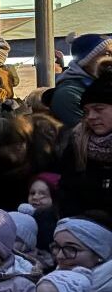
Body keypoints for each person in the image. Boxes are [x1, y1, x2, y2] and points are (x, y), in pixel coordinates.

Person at [59, 75, 112, 216]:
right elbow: (66, 193)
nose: (91, 117)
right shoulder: (77, 145)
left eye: (99, 109)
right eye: (86, 111)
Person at [51, 34, 112, 127]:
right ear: (86, 60)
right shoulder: (68, 94)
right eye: (107, 54)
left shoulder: (101, 86)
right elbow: (87, 135)